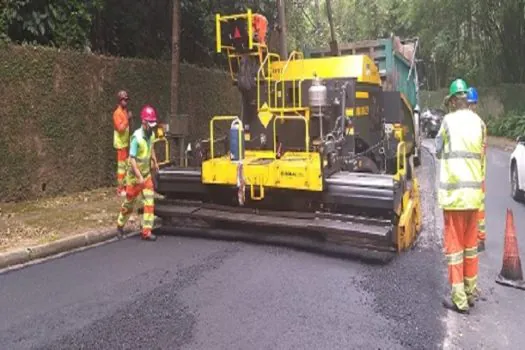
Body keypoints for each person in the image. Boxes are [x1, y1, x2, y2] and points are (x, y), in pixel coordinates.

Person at [436, 79, 486, 314]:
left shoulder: (447, 122)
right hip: (474, 197)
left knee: (455, 250)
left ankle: (458, 300)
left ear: (454, 100)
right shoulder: (480, 124)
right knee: (470, 248)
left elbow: (437, 149)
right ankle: (470, 292)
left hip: (455, 197)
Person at [117, 105, 160, 241]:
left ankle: (146, 232)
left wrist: (155, 160)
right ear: (144, 122)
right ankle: (120, 225)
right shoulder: (136, 138)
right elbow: (133, 160)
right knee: (129, 204)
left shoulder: (151, 135)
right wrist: (139, 176)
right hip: (134, 178)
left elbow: (151, 148)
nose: (152, 127)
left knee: (149, 202)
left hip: (146, 176)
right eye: (150, 123)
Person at [467, 87, 486, 252]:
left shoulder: (475, 124)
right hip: (477, 173)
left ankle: (479, 239)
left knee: (477, 208)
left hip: (475, 174)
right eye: (469, 104)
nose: (471, 107)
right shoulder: (479, 123)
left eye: (472, 104)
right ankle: (477, 238)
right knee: (476, 208)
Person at [113, 90, 132, 197]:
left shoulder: (124, 111)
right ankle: (120, 190)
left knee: (125, 167)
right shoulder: (117, 113)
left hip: (125, 144)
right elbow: (120, 129)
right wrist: (127, 119)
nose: (125, 102)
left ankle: (124, 187)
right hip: (120, 145)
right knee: (121, 168)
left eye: (126, 100)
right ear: (119, 101)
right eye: (123, 100)